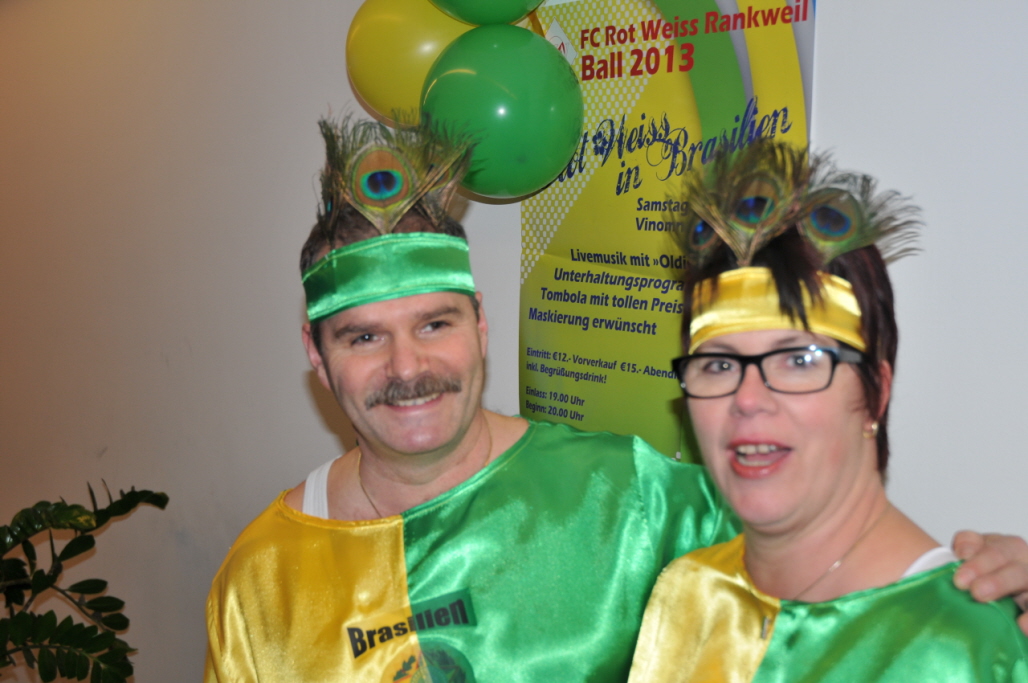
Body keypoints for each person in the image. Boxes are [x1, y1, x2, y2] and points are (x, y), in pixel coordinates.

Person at [204, 119, 1028, 683]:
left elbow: (834, 552)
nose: (407, 367)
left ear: (481, 325)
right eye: (363, 337)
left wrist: (1002, 592)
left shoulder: (634, 501)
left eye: (435, 323)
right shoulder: (260, 577)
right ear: (316, 355)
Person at [628, 141, 1028, 682]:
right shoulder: (689, 592)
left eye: (799, 360)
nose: (747, 399)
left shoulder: (966, 651)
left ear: (876, 394)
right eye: (718, 364)